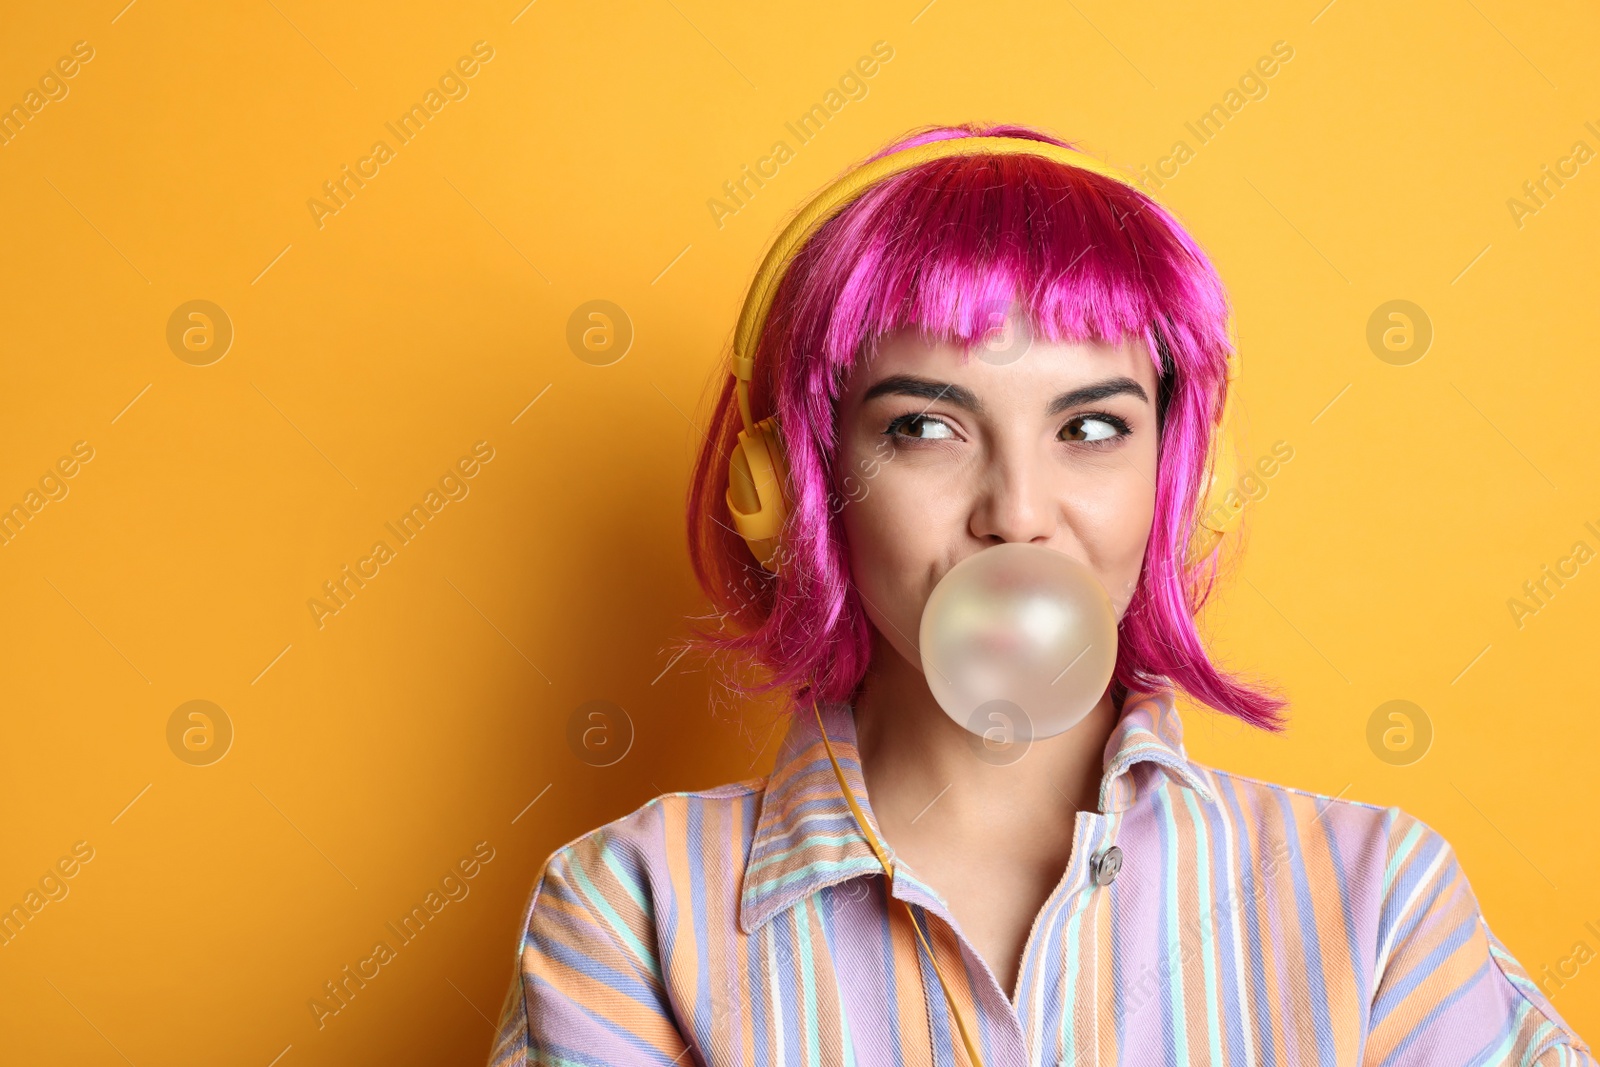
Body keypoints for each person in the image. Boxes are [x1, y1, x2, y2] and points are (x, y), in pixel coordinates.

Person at [486, 123, 1591, 1066]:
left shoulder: (1378, 899)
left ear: (1183, 485)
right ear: (799, 484)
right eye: (924, 426)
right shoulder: (626, 913)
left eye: (1091, 427)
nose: (1016, 511)